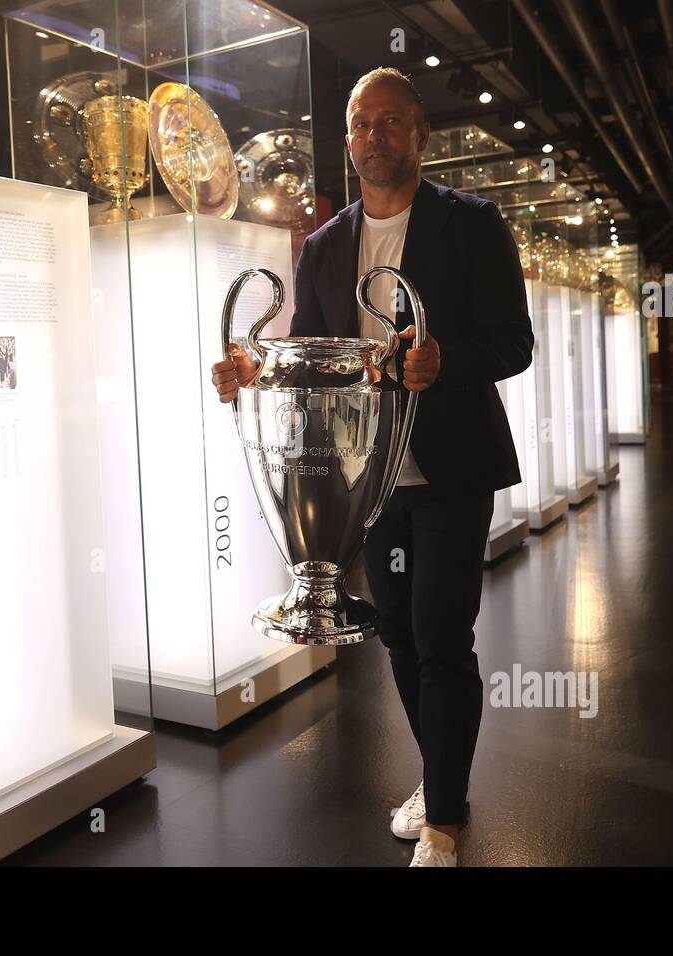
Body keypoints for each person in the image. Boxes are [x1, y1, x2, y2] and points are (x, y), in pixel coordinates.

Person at [209, 67, 533, 867]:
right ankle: (439, 775)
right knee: (397, 636)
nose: (374, 136)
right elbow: (316, 357)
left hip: (453, 471)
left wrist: (442, 362)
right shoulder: (323, 247)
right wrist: (255, 370)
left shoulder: (472, 223)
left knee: (441, 634)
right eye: (361, 124)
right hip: (369, 482)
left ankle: (446, 820)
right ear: (347, 140)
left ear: (419, 135)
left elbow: (514, 343)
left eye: (391, 122)